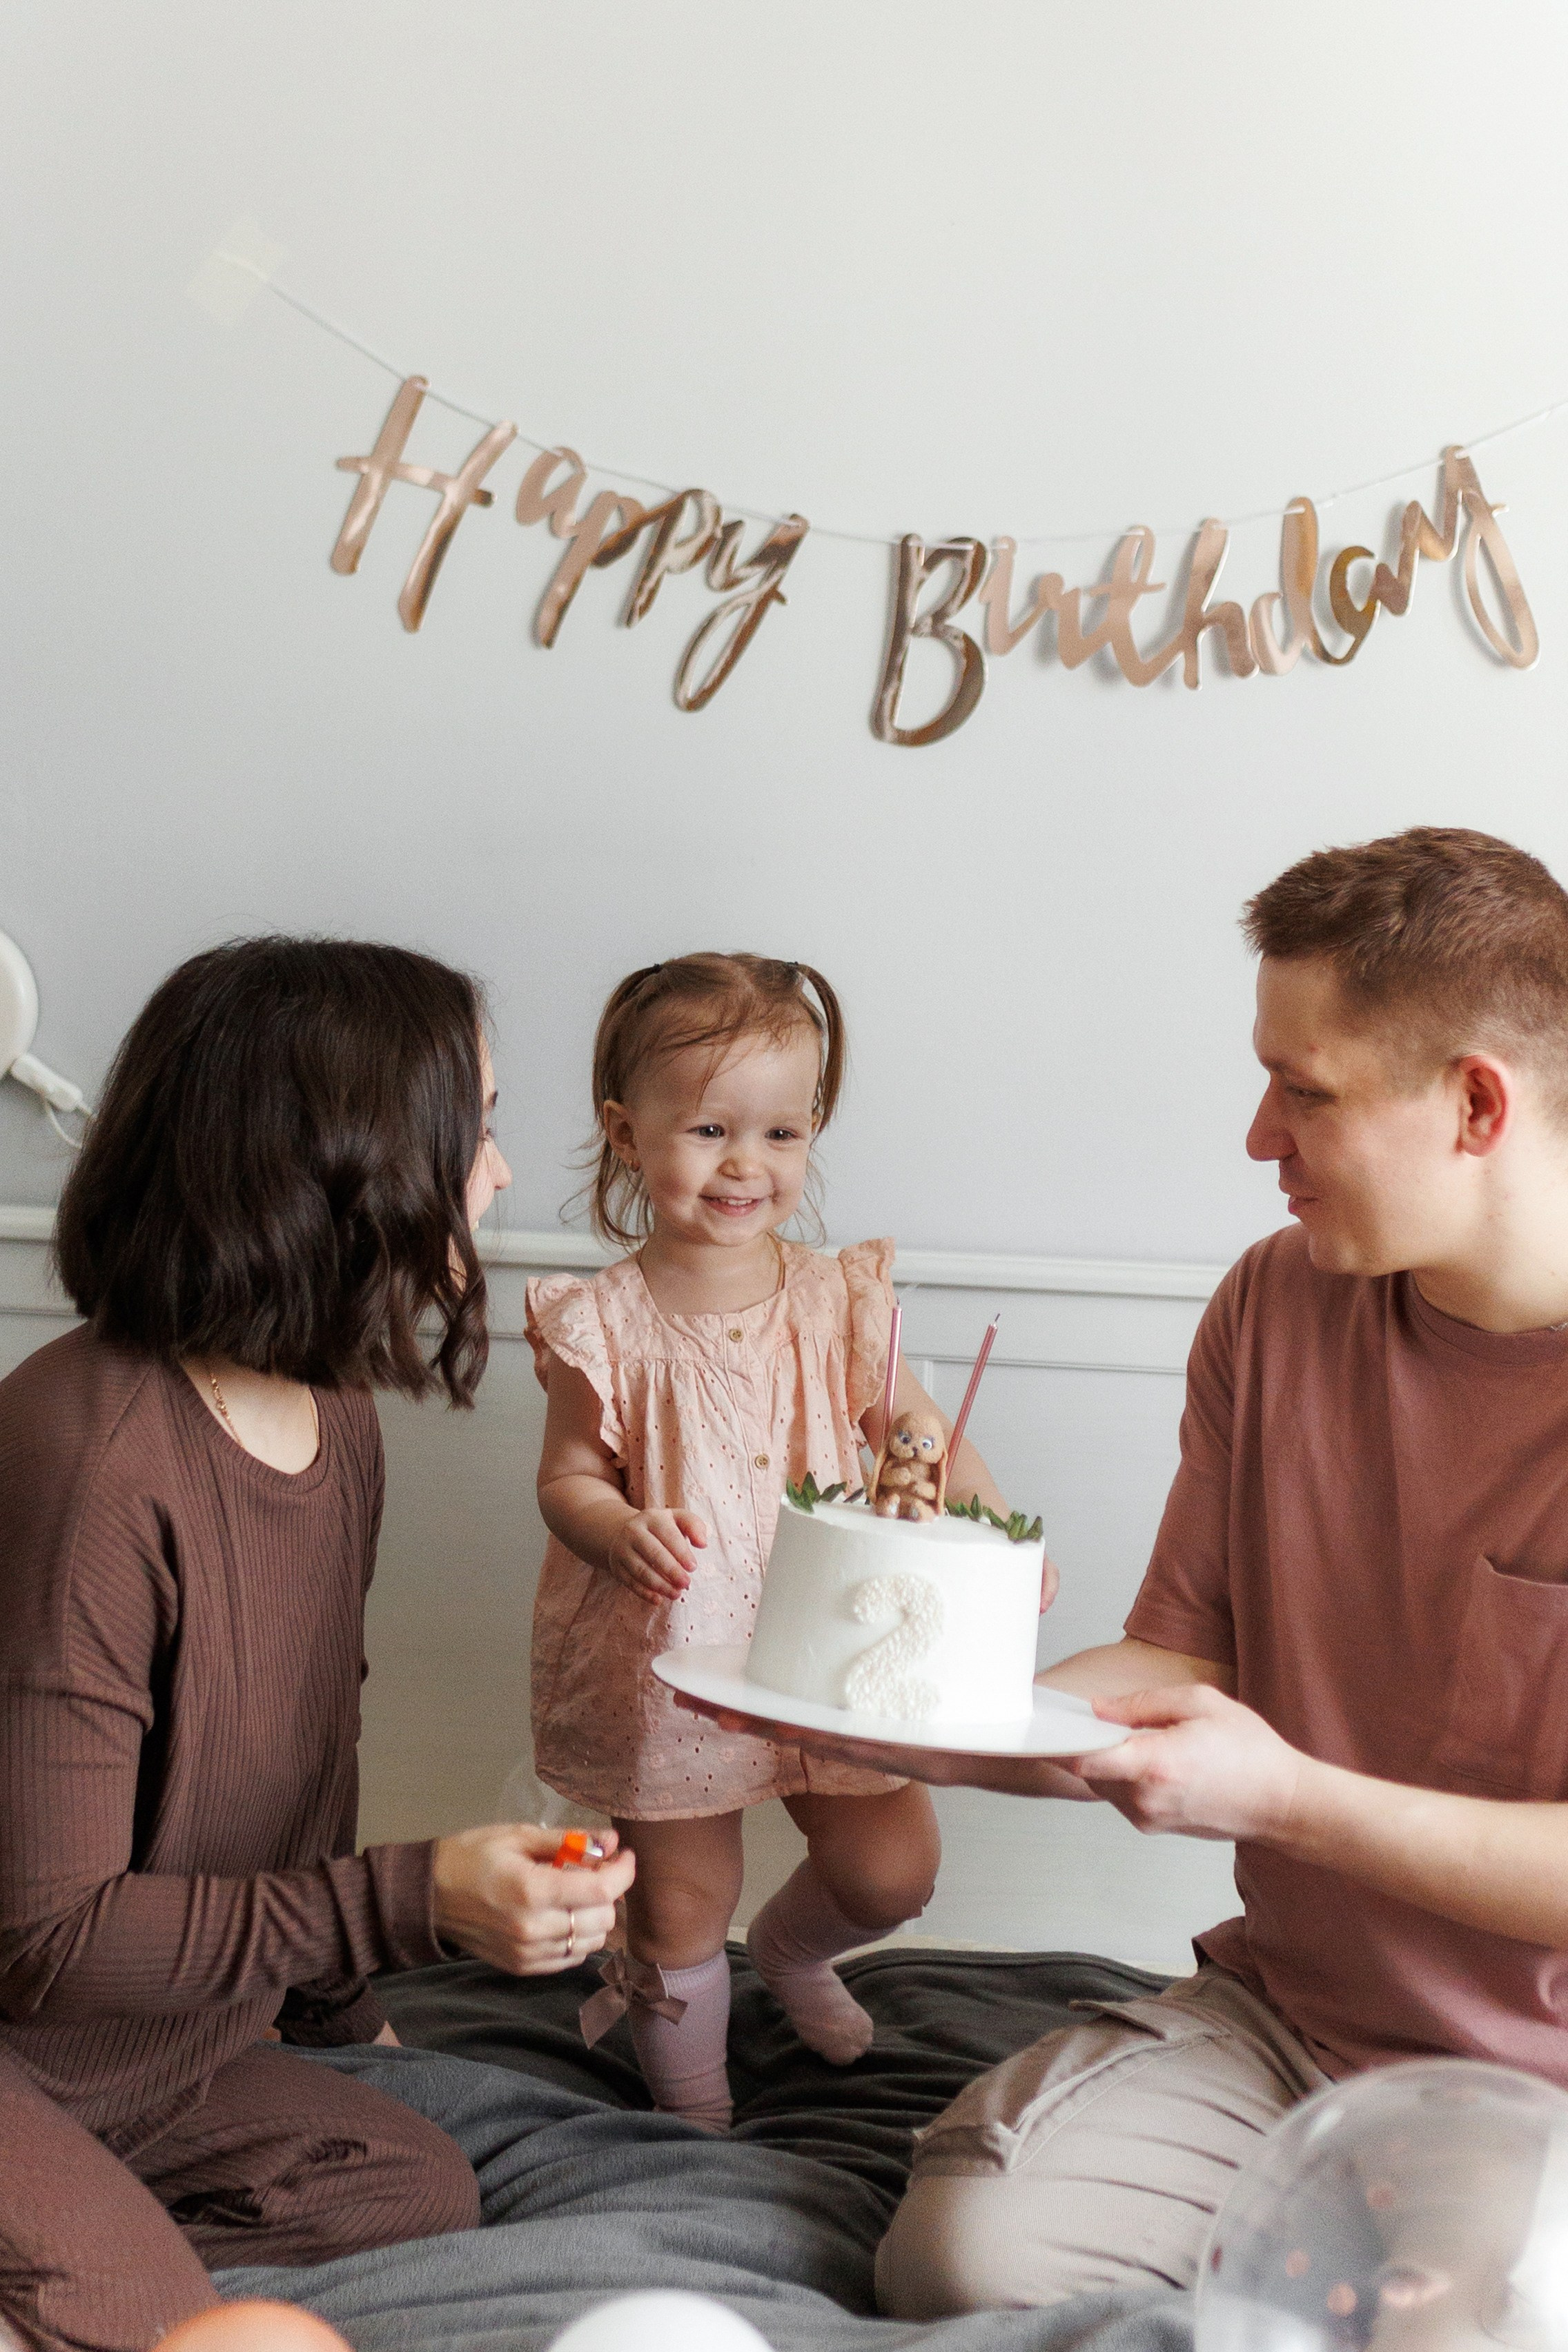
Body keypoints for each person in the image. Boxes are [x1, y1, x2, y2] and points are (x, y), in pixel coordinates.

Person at [690, 829, 1568, 2310]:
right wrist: (921, 1718)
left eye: (1304, 1092)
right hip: (1286, 2028)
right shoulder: (1275, 1305)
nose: (1254, 1137)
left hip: (1533, 2091)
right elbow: (1180, 1663)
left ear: (1473, 1103)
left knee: (1478, 2323)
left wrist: (1285, 1797)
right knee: (959, 2258)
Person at [0, 939, 635, 2352]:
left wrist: (341, 2008)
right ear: (347, 1160)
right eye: (473, 1126)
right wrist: (402, 1905)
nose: (496, 1173)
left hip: (157, 2059)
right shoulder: (85, 1457)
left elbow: (307, 1741)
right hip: (21, 2039)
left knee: (407, 2187)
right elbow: (41, 1938)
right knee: (141, 2312)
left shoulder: (333, 1412)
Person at [525, 953, 1019, 2130]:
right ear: (627, 1132)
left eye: (783, 1132)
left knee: (891, 1867)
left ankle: (794, 1959)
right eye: (707, 1128)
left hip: (830, 1641)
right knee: (683, 1905)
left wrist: (993, 1539)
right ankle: (700, 2120)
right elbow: (565, 1479)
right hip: (671, 1647)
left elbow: (917, 1432)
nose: (748, 1164)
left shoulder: (837, 1299)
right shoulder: (601, 1323)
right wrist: (616, 1526)